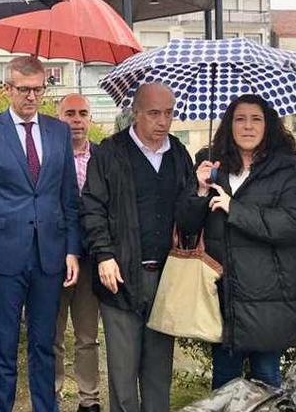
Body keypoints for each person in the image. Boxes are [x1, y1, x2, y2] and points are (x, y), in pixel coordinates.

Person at [0, 55, 81, 412]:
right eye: (24, 90)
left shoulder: (58, 131)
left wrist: (72, 249)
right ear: (7, 89)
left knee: (44, 345)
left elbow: (69, 198)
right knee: (2, 348)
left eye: (38, 89)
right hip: (1, 258)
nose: (32, 97)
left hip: (49, 255)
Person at [176, 93, 296, 390]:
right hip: (224, 297)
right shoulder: (210, 166)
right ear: (229, 125)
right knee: (225, 387)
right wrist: (199, 191)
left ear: (268, 126)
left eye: (256, 119)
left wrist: (235, 209)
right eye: (240, 119)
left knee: (267, 384)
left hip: (270, 298)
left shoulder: (288, 171)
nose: (248, 126)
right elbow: (186, 226)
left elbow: (292, 224)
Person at [81, 83, 196, 412]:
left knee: (159, 371)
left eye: (169, 113)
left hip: (167, 278)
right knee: (123, 371)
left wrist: (199, 192)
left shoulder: (178, 154)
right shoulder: (109, 152)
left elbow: (187, 217)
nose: (163, 121)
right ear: (136, 113)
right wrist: (103, 255)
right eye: (154, 113)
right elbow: (92, 207)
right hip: (120, 276)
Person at [54, 93, 101, 412]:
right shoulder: (48, 157)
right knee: (52, 337)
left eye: (83, 113)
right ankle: (52, 396)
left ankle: (89, 400)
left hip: (90, 260)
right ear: (59, 118)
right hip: (54, 260)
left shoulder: (102, 157)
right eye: (70, 113)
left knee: (87, 337)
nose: (77, 119)